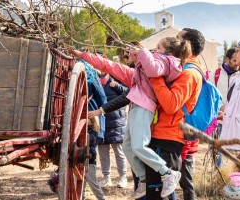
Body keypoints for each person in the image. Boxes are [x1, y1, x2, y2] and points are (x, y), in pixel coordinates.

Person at [67, 37, 186, 199]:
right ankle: (143, 180)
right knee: (128, 148)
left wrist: (142, 52)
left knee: (139, 146)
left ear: (169, 51)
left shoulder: (166, 61)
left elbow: (153, 70)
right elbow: (110, 66)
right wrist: (83, 55)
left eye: (158, 47)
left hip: (145, 106)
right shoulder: (140, 73)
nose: (154, 49)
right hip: (137, 106)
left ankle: (167, 173)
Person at [148, 28, 206, 200]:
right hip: (164, 134)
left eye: (178, 38)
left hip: (168, 137)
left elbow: (171, 104)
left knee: (159, 193)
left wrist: (155, 77)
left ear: (186, 44)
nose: (174, 40)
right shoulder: (183, 68)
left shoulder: (189, 73)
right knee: (160, 191)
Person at [96, 54, 128, 188]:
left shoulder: (117, 78)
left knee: (119, 152)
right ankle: (106, 177)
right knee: (103, 153)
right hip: (101, 122)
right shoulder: (94, 81)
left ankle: (123, 177)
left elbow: (129, 93)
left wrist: (118, 87)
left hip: (116, 122)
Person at [80, 58, 107, 200]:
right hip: (92, 123)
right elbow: (103, 101)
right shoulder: (93, 80)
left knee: (84, 163)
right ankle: (87, 196)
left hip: (83, 124)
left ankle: (98, 197)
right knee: (87, 161)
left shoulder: (77, 79)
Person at [209, 47, 239, 167]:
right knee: (216, 148)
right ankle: (218, 173)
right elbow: (210, 95)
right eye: (234, 60)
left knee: (237, 149)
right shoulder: (214, 75)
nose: (237, 63)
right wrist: (220, 108)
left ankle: (237, 176)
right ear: (227, 59)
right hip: (218, 119)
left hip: (236, 119)